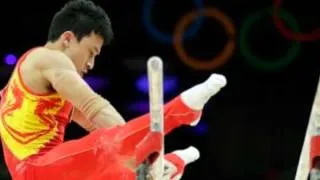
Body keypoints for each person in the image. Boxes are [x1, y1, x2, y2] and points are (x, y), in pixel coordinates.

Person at [0, 0, 227, 179]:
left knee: (118, 169)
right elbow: (95, 107)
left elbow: (95, 125)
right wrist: (137, 151)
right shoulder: (47, 58)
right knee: (107, 147)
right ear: (67, 38)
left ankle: (171, 165)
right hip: (34, 170)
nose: (91, 64)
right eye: (91, 52)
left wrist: (138, 162)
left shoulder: (44, 85)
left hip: (49, 172)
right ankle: (182, 110)